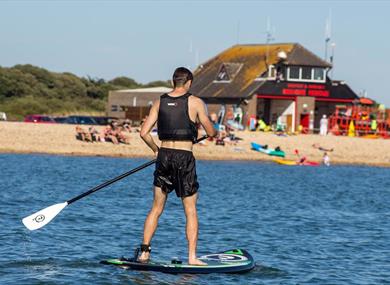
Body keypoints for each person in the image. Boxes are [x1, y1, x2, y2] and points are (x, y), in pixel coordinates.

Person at [138, 67, 217, 265]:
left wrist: (156, 150)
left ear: (174, 81)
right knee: (190, 210)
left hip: (164, 156)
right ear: (189, 82)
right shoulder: (196, 102)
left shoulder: (159, 101)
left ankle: (144, 253)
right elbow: (211, 131)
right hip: (184, 157)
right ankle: (192, 257)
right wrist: (208, 131)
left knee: (156, 208)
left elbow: (143, 133)